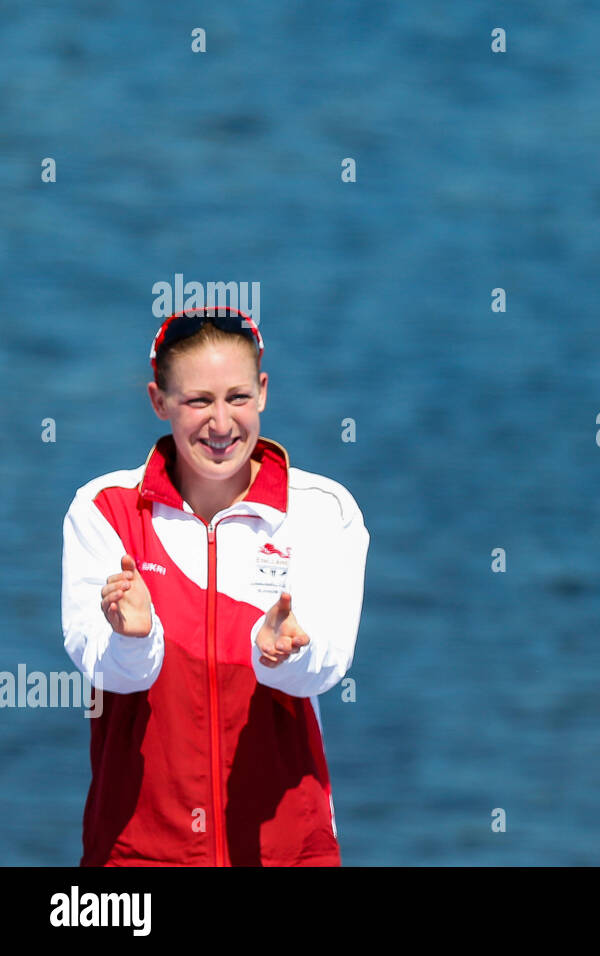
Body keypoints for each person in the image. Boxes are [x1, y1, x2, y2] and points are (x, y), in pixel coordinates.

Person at [60, 305, 369, 866]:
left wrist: (281, 654)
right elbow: (102, 670)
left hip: (286, 851)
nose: (221, 423)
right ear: (159, 402)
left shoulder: (324, 511)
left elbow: (326, 669)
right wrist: (134, 635)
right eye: (198, 401)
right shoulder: (104, 509)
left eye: (238, 397)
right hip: (135, 852)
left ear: (264, 392)